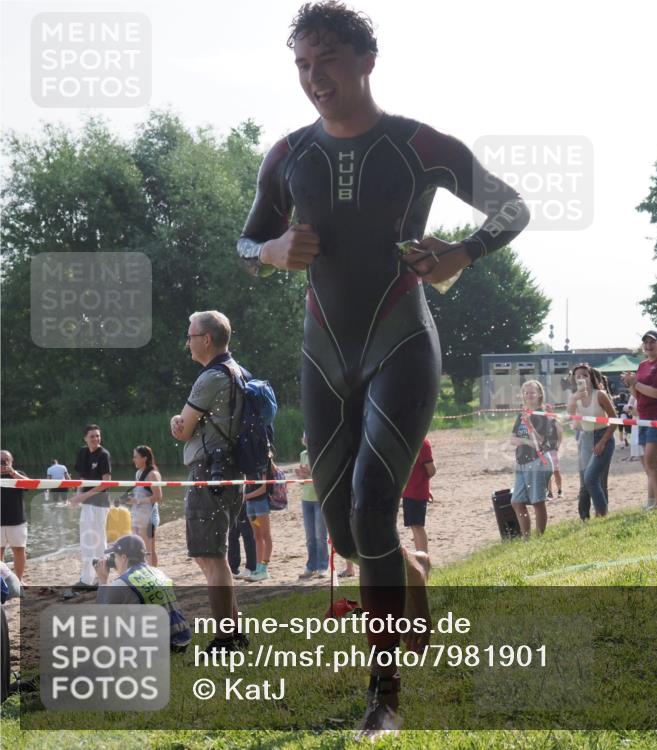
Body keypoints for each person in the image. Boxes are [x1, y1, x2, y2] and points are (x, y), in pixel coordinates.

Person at [236, 3, 528, 733]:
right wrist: (270, 253)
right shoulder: (288, 154)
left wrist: (461, 255)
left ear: (367, 61)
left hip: (401, 341)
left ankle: (385, 697)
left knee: (371, 504)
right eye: (302, 64)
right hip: (322, 352)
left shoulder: (416, 143)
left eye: (327, 59)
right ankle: (407, 570)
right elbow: (246, 244)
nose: (314, 77)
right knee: (344, 528)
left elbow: (511, 207)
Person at [169, 310, 245, 651]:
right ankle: (235, 630)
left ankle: (224, 638)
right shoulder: (239, 372)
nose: (188, 342)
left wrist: (176, 422)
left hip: (208, 474)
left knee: (212, 558)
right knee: (211, 556)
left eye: (190, 336)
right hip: (230, 472)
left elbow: (183, 430)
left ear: (207, 339)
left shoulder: (211, 377)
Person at [94, 534, 192, 652]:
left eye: (114, 556)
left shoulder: (123, 583)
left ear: (124, 557)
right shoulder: (158, 572)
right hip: (183, 638)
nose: (113, 560)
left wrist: (102, 580)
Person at [621, 330, 657, 508]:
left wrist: (635, 383)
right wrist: (630, 384)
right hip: (644, 417)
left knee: (652, 461)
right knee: (650, 463)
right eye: (645, 342)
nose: (648, 345)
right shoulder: (643, 365)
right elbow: (638, 394)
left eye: (652, 342)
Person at [567, 364, 617, 519]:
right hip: (585, 437)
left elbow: (614, 420)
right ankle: (584, 518)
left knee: (594, 479)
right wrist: (574, 400)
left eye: (585, 375)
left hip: (604, 436)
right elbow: (571, 419)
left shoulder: (600, 394)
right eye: (578, 376)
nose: (581, 378)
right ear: (574, 380)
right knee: (585, 482)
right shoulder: (574, 397)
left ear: (591, 377)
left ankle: (602, 514)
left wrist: (602, 442)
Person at [510, 380, 558, 536]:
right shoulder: (522, 414)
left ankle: (539, 536)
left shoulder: (543, 415)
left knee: (538, 501)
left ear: (539, 395)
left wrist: (530, 425)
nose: (529, 395)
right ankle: (526, 537)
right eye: (526, 392)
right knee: (517, 502)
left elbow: (542, 441)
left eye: (532, 392)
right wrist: (526, 441)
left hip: (538, 462)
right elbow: (513, 439)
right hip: (521, 463)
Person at [68, 425, 112, 590]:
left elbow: (105, 483)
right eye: (92, 436)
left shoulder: (104, 455)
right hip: (86, 503)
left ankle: (101, 579)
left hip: (100, 503)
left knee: (99, 540)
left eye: (97, 436)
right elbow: (82, 478)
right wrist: (77, 497)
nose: (95, 439)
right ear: (85, 438)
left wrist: (82, 496)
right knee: (86, 539)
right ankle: (87, 579)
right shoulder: (82, 452)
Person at [297, 434, 329, 579]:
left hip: (319, 498)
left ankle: (322, 566)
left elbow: (323, 476)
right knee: (310, 536)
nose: (305, 438)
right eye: (304, 436)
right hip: (306, 498)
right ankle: (311, 566)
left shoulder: (321, 452)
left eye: (307, 436)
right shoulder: (303, 454)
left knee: (320, 536)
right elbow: (304, 481)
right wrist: (301, 476)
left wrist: (309, 473)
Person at [242, 457, 276, 582]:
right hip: (250, 505)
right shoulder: (247, 464)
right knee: (257, 535)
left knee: (265, 535)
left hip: (261, 504)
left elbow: (264, 488)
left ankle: (264, 568)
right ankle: (258, 567)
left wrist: (246, 496)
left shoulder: (264, 463)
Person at [128, 446, 162, 566]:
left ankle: (153, 574)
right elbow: (139, 493)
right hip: (138, 515)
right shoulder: (138, 473)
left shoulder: (153, 474)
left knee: (149, 549)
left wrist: (137, 500)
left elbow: (158, 497)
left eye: (136, 457)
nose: (134, 460)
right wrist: (129, 497)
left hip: (149, 517)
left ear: (145, 458)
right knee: (140, 548)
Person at [400, 438, 435, 553]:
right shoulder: (412, 441)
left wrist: (423, 484)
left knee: (417, 526)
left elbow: (431, 470)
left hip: (416, 491)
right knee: (414, 526)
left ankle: (423, 555)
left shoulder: (421, 443)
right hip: (410, 491)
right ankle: (421, 553)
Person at [0, 452, 28, 581]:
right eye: (1, 460)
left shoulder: (18, 474)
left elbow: (30, 485)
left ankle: (19, 580)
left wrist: (13, 473)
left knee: (19, 551)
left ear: (12, 461)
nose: (3, 463)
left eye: (6, 460)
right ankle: (2, 582)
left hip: (17, 521)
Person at [228, 500, 257, 581]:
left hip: (246, 503)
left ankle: (251, 568)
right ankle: (233, 568)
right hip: (231, 502)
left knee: (249, 537)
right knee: (232, 537)